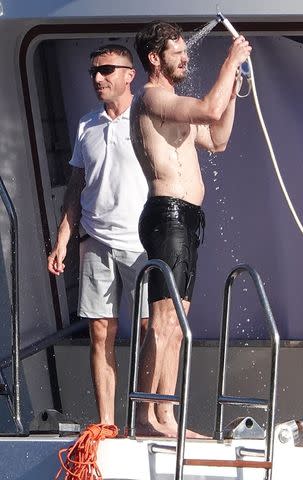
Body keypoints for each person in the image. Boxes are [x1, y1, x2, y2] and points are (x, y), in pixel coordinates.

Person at [130, 22, 252, 437]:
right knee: (163, 320)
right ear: (154, 58)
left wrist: (233, 87)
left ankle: (167, 416)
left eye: (186, 50)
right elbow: (206, 110)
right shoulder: (153, 97)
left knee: (178, 323)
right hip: (167, 214)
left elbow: (217, 138)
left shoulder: (172, 102)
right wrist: (231, 59)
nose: (186, 58)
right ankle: (146, 416)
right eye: (177, 52)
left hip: (186, 218)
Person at [47, 44, 149, 425]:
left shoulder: (147, 114)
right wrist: (62, 238)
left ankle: (147, 415)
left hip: (140, 243)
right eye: (93, 72)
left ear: (129, 74)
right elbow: (77, 184)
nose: (98, 78)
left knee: (149, 333)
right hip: (95, 241)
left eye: (107, 70)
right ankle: (106, 422)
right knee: (101, 334)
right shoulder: (87, 123)